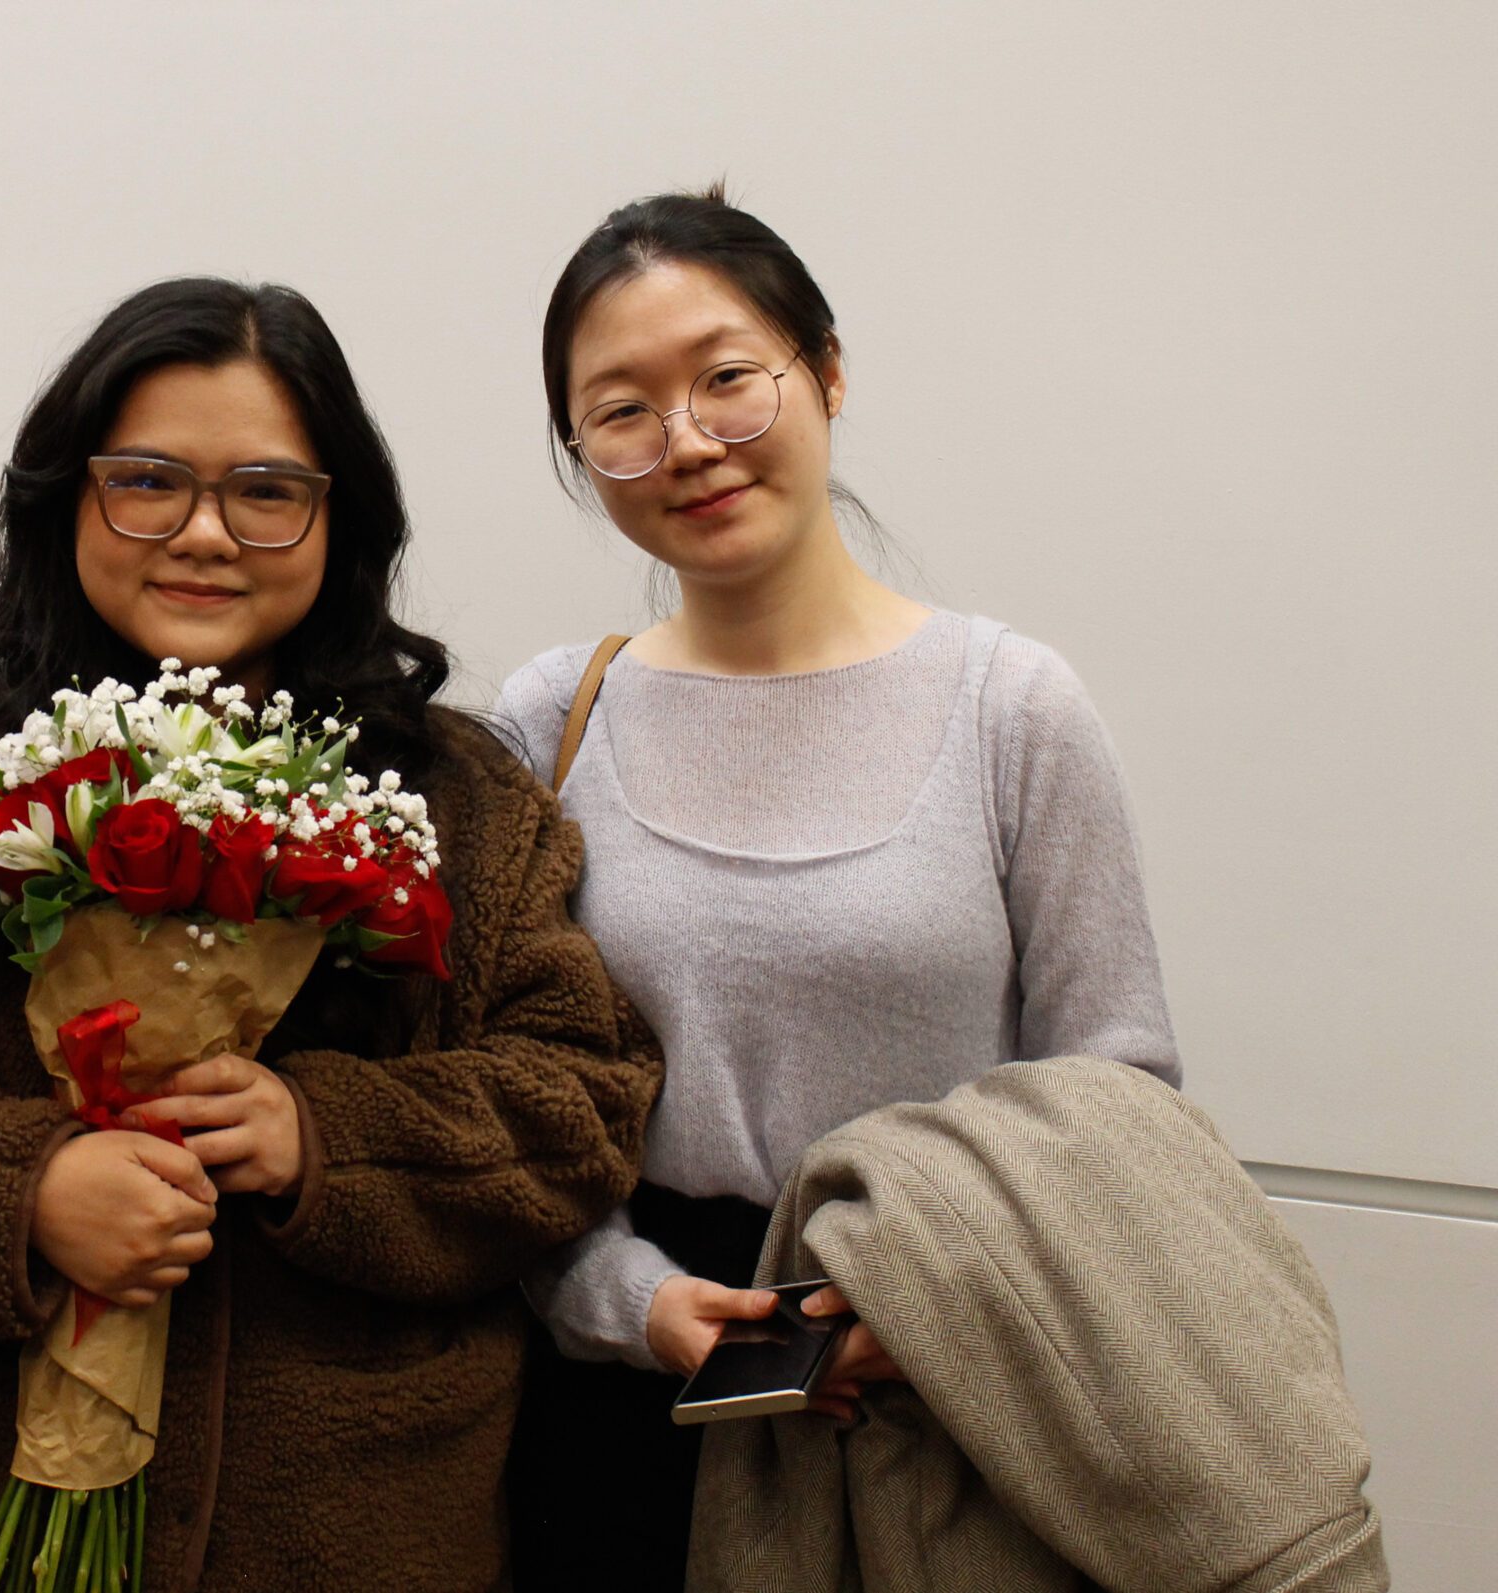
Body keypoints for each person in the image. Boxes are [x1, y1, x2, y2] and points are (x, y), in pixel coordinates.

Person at [0, 277, 659, 1593]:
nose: (205, 533)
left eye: (267, 490)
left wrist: (322, 1137)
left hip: (364, 1547)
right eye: (149, 481)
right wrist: (28, 1188)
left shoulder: (459, 795)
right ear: (66, 495)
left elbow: (581, 1099)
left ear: (341, 517)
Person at [497, 185, 1181, 1590]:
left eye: (727, 378)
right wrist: (629, 1299)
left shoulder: (1010, 706)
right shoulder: (549, 717)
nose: (686, 441)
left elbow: (1123, 1089)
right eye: (621, 410)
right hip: (627, 1396)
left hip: (940, 1390)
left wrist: (919, 1305)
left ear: (826, 369)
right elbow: (494, 1094)